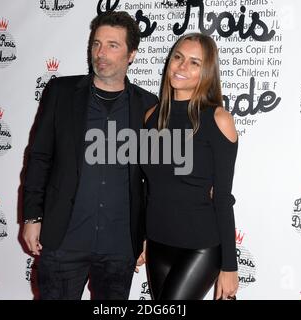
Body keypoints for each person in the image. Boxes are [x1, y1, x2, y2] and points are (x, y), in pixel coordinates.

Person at [22, 11, 157, 300]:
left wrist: (148, 234)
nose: (101, 53)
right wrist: (32, 216)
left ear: (131, 54)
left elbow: (152, 180)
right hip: (63, 239)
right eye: (96, 44)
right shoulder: (61, 92)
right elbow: (39, 157)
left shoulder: (149, 105)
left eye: (112, 45)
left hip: (120, 246)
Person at [142, 33, 239, 300]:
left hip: (201, 246)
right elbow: (149, 188)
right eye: (178, 57)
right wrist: (141, 235)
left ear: (206, 72)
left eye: (194, 63)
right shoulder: (152, 117)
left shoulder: (218, 119)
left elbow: (222, 197)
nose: (182, 66)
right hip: (158, 242)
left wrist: (229, 266)